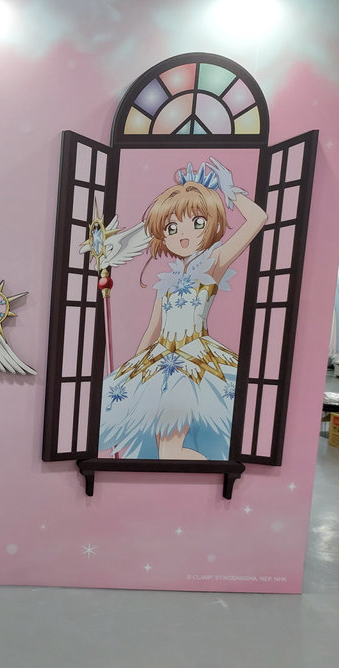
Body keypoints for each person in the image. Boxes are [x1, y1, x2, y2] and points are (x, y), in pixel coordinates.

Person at [100, 157, 267, 460]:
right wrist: (132, 372)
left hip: (194, 363)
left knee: (169, 451)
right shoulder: (166, 283)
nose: (182, 234)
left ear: (212, 225)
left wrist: (231, 192)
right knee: (164, 449)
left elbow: (258, 219)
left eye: (197, 223)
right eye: (172, 227)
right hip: (160, 362)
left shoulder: (214, 262)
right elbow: (152, 330)